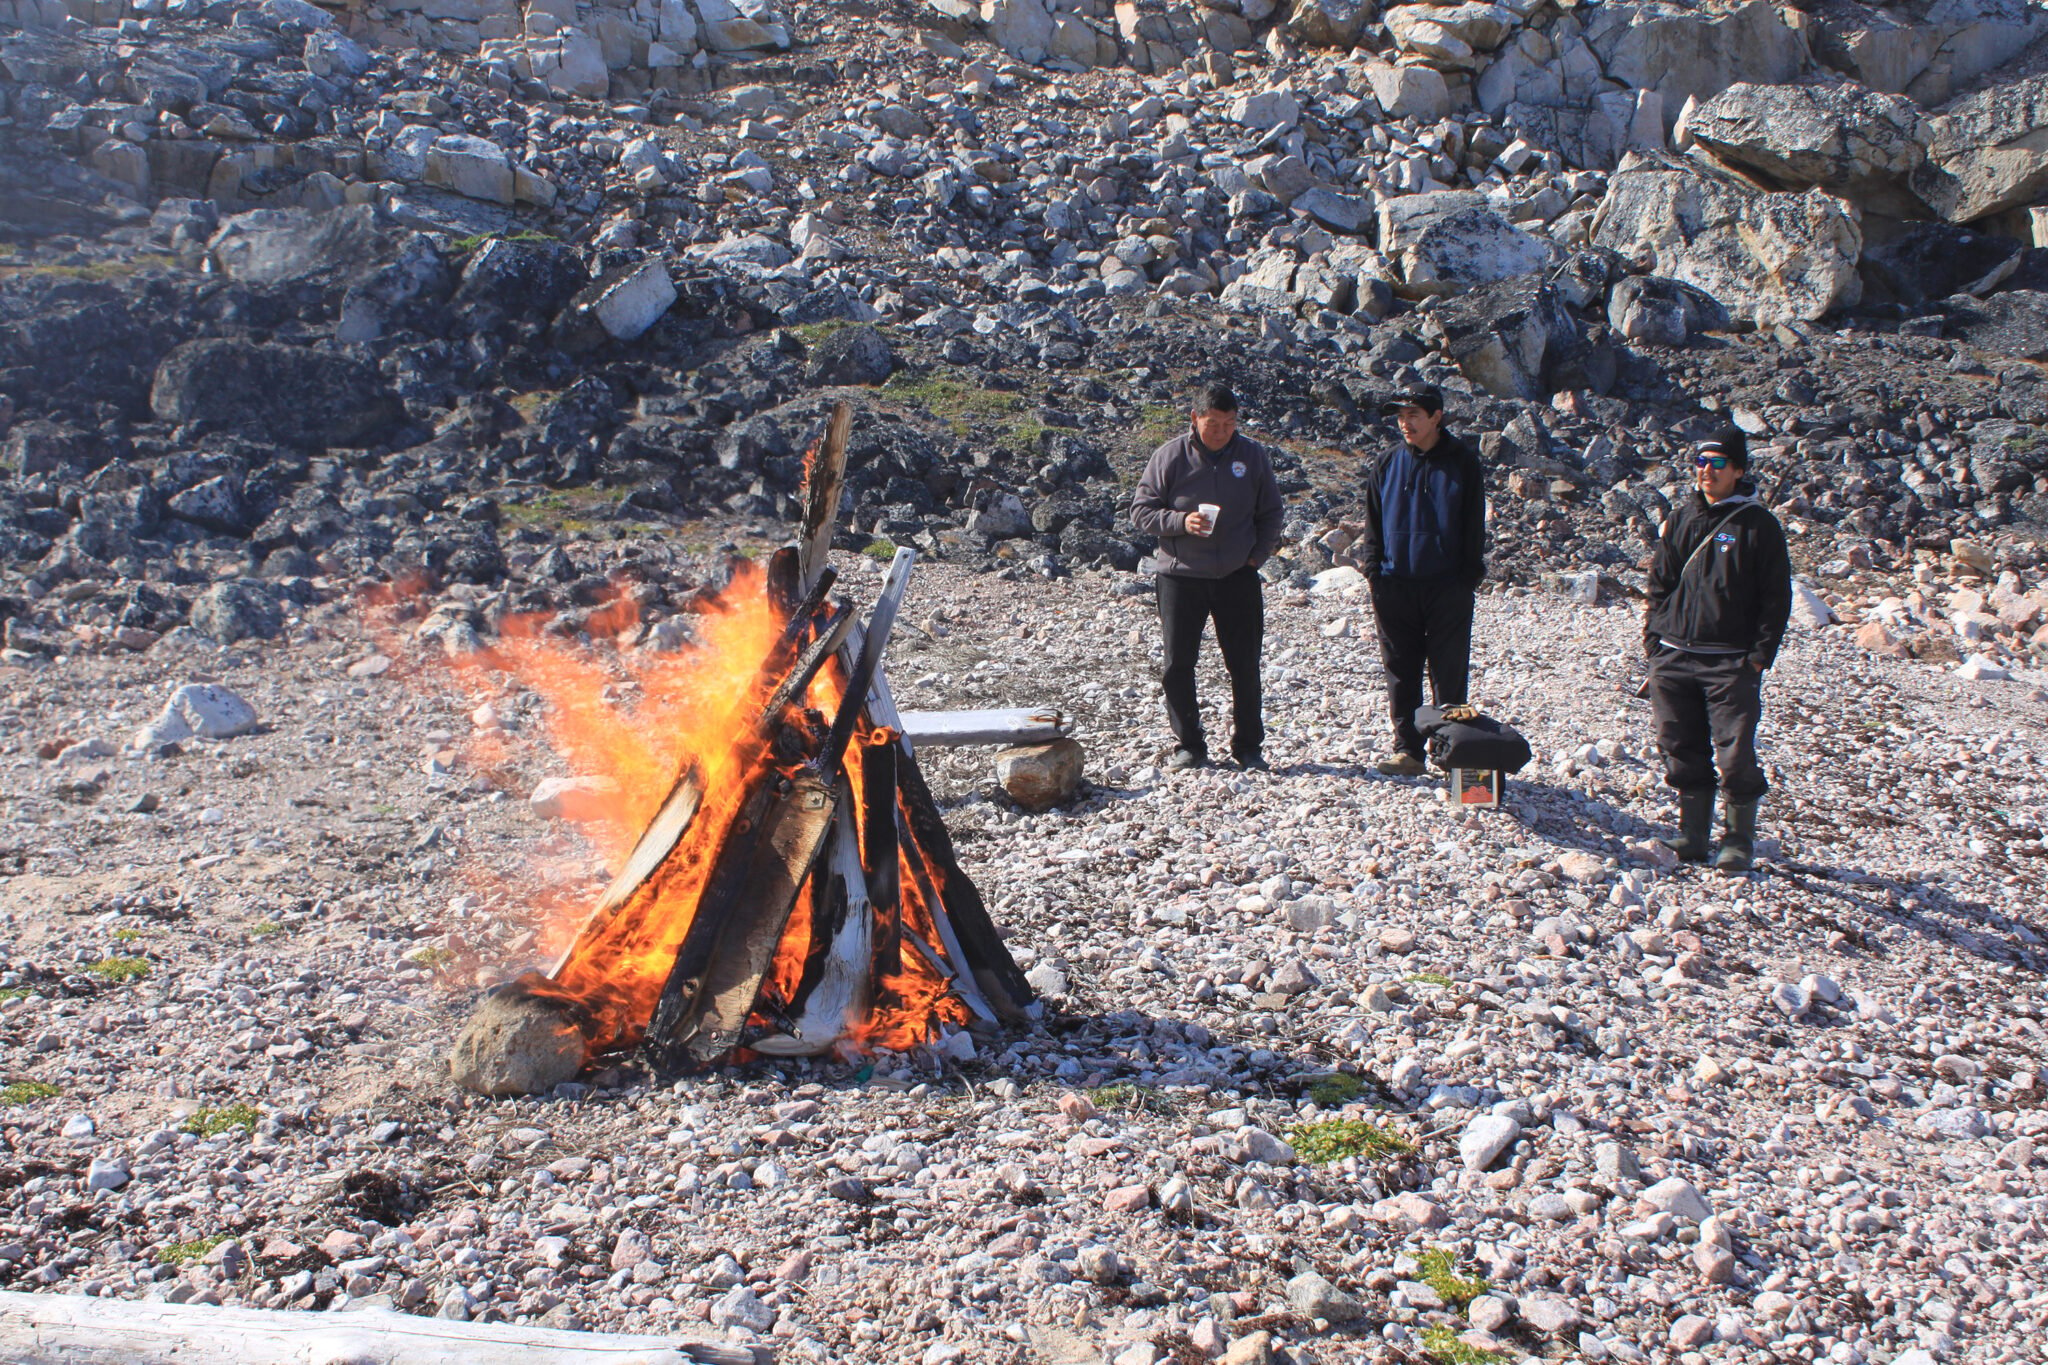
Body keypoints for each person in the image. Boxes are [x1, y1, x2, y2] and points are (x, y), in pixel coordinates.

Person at [1643, 427, 1792, 873]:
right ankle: (1693, 835)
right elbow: (1660, 582)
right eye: (1701, 463)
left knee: (1734, 751)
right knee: (1678, 742)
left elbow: (1776, 597)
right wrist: (1653, 639)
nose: (1707, 471)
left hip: (1729, 659)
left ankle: (1739, 839)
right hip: (1674, 652)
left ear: (1739, 470)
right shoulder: (1683, 517)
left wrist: (1760, 655)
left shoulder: (1758, 525)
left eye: (1719, 463)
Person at [1129, 384, 1285, 771]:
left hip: (1238, 575)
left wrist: (1255, 559)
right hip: (1181, 577)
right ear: (1194, 419)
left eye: (1229, 424)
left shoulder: (1252, 455)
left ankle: (1249, 746)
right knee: (1178, 665)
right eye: (1213, 424)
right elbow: (1141, 512)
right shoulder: (1169, 457)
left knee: (1245, 664)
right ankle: (1190, 746)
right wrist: (1182, 522)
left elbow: (1272, 512)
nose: (1221, 432)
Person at [1353, 385, 1487, 777]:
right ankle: (1408, 750)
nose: (1405, 423)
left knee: (1449, 673)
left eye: (1413, 414)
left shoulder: (1462, 462)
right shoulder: (1388, 461)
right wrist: (1373, 571)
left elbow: (1472, 524)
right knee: (1401, 671)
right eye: (1401, 415)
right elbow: (1372, 521)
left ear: (1436, 417)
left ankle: (1451, 753)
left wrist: (1467, 577)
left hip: (1447, 585)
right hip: (1395, 583)